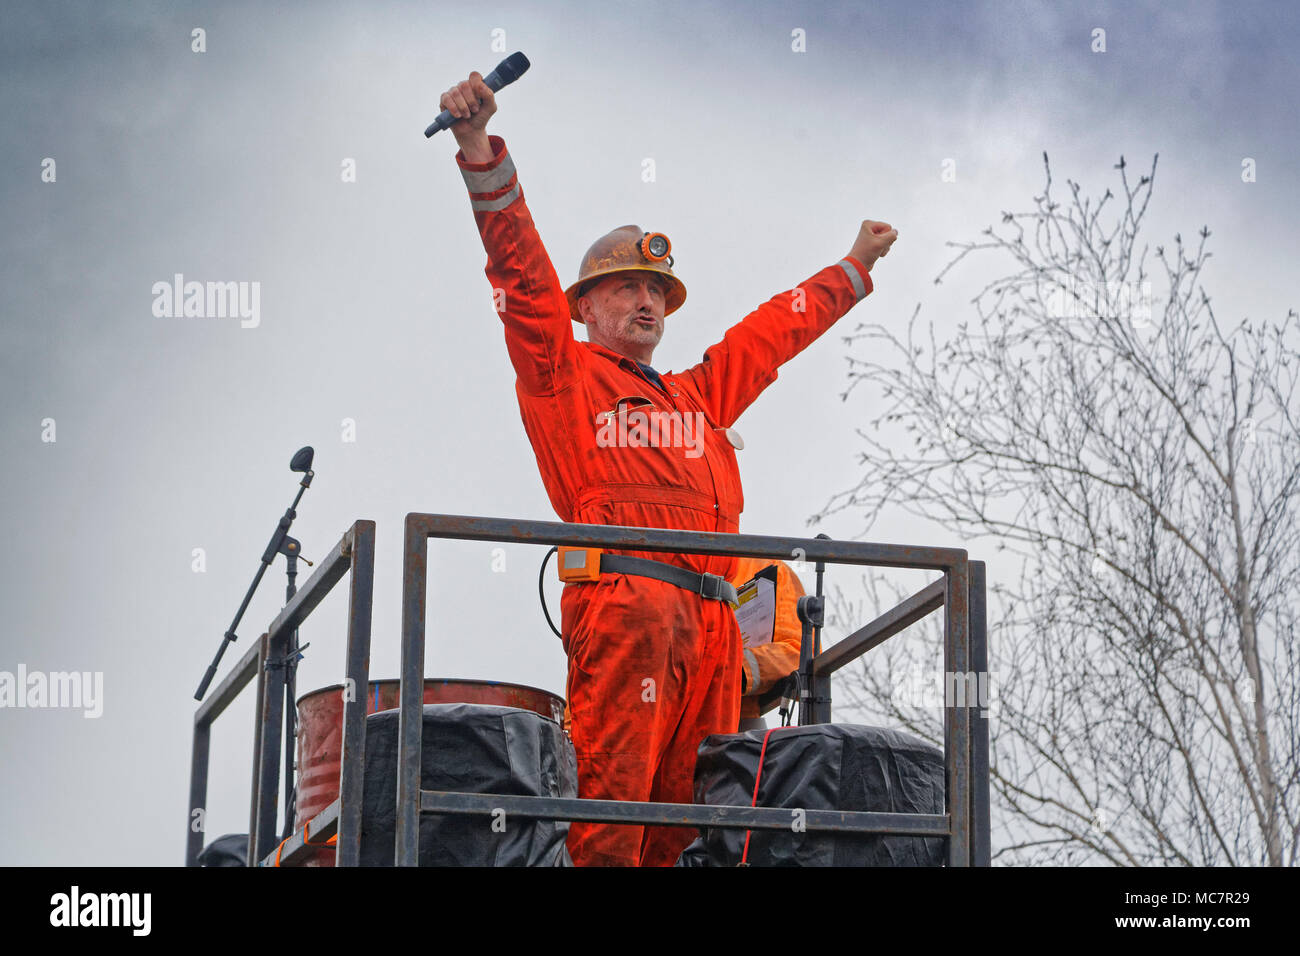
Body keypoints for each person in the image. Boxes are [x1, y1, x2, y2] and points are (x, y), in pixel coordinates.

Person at [438, 71, 897, 866]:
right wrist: (480, 152)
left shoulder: (698, 398)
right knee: (611, 816)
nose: (647, 302)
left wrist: (850, 271)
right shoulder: (566, 378)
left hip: (713, 630)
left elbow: (766, 337)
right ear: (588, 306)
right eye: (625, 288)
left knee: (695, 833)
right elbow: (525, 281)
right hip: (629, 610)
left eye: (656, 290)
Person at [729, 557, 807, 732]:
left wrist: (735, 669)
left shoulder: (763, 567)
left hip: (733, 726)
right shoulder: (659, 568)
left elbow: (799, 655)